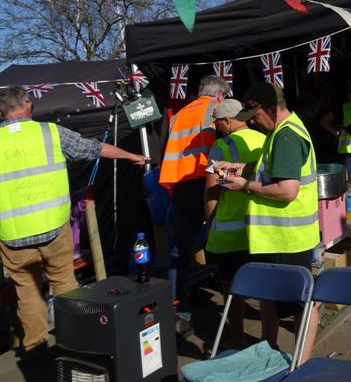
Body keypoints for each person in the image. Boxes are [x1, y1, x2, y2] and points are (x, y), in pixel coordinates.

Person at [0, 86, 148, 366]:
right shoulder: (50, 133)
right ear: (28, 105)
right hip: (54, 229)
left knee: (27, 291)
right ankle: (78, 340)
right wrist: (130, 156)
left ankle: (36, 350)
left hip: (13, 235)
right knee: (65, 283)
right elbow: (95, 149)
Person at [214, 83, 320, 363]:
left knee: (298, 304)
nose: (252, 122)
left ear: (271, 109)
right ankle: (269, 348)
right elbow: (269, 168)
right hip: (279, 239)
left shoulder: (285, 136)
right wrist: (238, 168)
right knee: (275, 297)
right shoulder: (281, 132)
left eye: (255, 115)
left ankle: (301, 365)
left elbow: (287, 190)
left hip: (287, 240)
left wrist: (245, 186)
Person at [158, 74, 229, 335]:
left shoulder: (179, 115)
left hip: (182, 188)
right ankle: (232, 305)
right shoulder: (216, 111)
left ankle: (179, 312)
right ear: (219, 95)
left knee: (179, 253)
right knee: (222, 246)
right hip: (209, 185)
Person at [203, 99, 266, 349]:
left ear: (228, 121)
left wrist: (209, 222)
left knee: (232, 288)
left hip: (229, 231)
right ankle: (267, 340)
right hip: (260, 228)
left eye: (217, 122)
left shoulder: (222, 146)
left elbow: (211, 191)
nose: (216, 127)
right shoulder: (264, 140)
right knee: (263, 285)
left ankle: (237, 337)